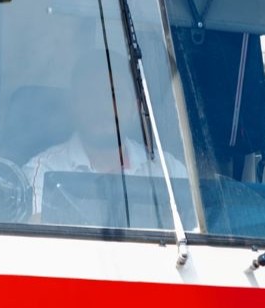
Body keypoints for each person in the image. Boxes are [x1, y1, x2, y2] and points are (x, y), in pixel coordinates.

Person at [23, 50, 187, 222]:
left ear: (135, 107)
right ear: (74, 104)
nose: (103, 107)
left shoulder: (168, 171)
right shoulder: (43, 169)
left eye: (114, 95)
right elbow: (39, 237)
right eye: (90, 95)